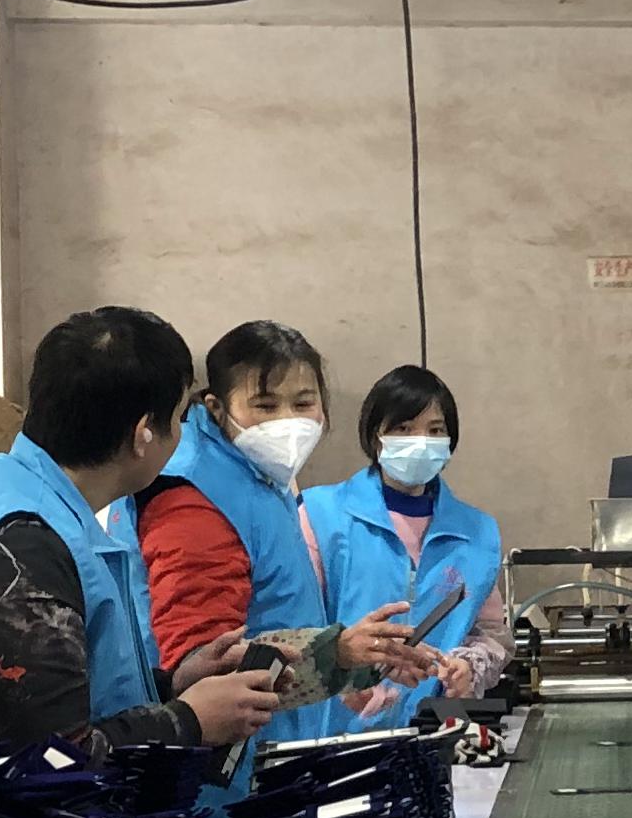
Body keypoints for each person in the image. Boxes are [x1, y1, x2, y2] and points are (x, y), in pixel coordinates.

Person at [0, 305, 282, 775]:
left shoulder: (33, 503)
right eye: (179, 420)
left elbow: (55, 692)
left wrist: (172, 685)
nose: (182, 438)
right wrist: (189, 721)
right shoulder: (24, 544)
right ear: (142, 435)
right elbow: (51, 760)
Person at [138, 320, 436, 751]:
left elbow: (279, 615)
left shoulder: (260, 477)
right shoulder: (194, 501)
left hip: (278, 741)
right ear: (217, 408)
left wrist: (353, 665)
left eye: (303, 403)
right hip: (227, 764)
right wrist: (337, 653)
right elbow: (203, 667)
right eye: (265, 405)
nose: (288, 421)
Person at [311, 365, 510, 729]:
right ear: (375, 437)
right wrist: (343, 673)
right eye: (403, 429)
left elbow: (491, 634)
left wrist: (469, 667)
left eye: (435, 430)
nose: (420, 441)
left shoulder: (477, 533)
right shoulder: (320, 515)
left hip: (431, 734)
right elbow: (296, 627)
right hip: (331, 735)